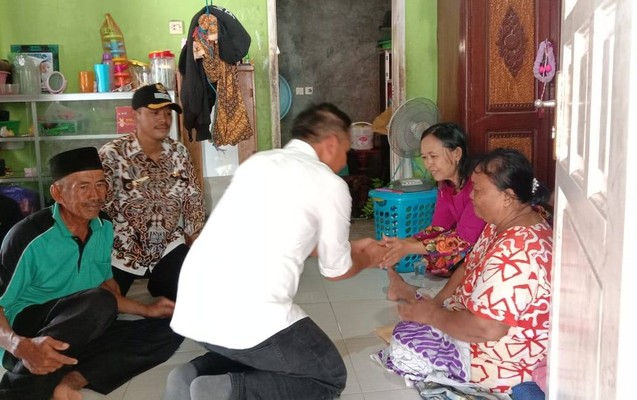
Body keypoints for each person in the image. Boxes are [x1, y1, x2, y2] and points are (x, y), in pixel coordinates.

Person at [165, 103, 387, 400]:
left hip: (195, 304)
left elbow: (276, 237)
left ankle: (190, 376)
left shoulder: (259, 163)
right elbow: (337, 270)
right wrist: (371, 257)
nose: (343, 160)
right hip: (249, 312)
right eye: (345, 150)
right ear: (332, 143)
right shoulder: (329, 183)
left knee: (255, 352)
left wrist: (343, 249)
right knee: (327, 375)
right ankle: (220, 391)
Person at [0, 147, 183, 400]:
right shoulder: (27, 236)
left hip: (82, 326)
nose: (95, 195)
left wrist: (148, 310)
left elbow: (104, 291)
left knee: (172, 328)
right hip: (30, 337)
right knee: (99, 302)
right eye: (83, 187)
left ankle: (70, 380)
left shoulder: (103, 226)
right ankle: (17, 390)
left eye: (100, 185)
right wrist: (18, 346)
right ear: (58, 193)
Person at [381, 148, 552, 395]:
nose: (471, 196)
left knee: (403, 345)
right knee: (417, 316)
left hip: (501, 362)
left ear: (507, 197)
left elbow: (487, 329)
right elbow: (467, 266)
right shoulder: (504, 224)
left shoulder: (516, 252)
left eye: (479, 190)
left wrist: (432, 316)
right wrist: (437, 304)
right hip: (475, 319)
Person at [99, 83, 205, 301]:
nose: (164, 119)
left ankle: (160, 284)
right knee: (103, 306)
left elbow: (192, 198)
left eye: (167, 113)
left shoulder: (178, 153)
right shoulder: (113, 154)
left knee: (195, 292)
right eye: (155, 112)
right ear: (136, 115)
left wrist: (195, 237)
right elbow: (98, 207)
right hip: (123, 251)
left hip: (168, 246)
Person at [381, 122, 485, 276]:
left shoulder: (477, 184)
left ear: (457, 154)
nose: (428, 164)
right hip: (467, 240)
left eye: (433, 156)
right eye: (424, 157)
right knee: (434, 258)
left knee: (442, 256)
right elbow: (438, 227)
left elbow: (464, 240)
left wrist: (408, 247)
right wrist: (404, 242)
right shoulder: (445, 185)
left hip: (487, 242)